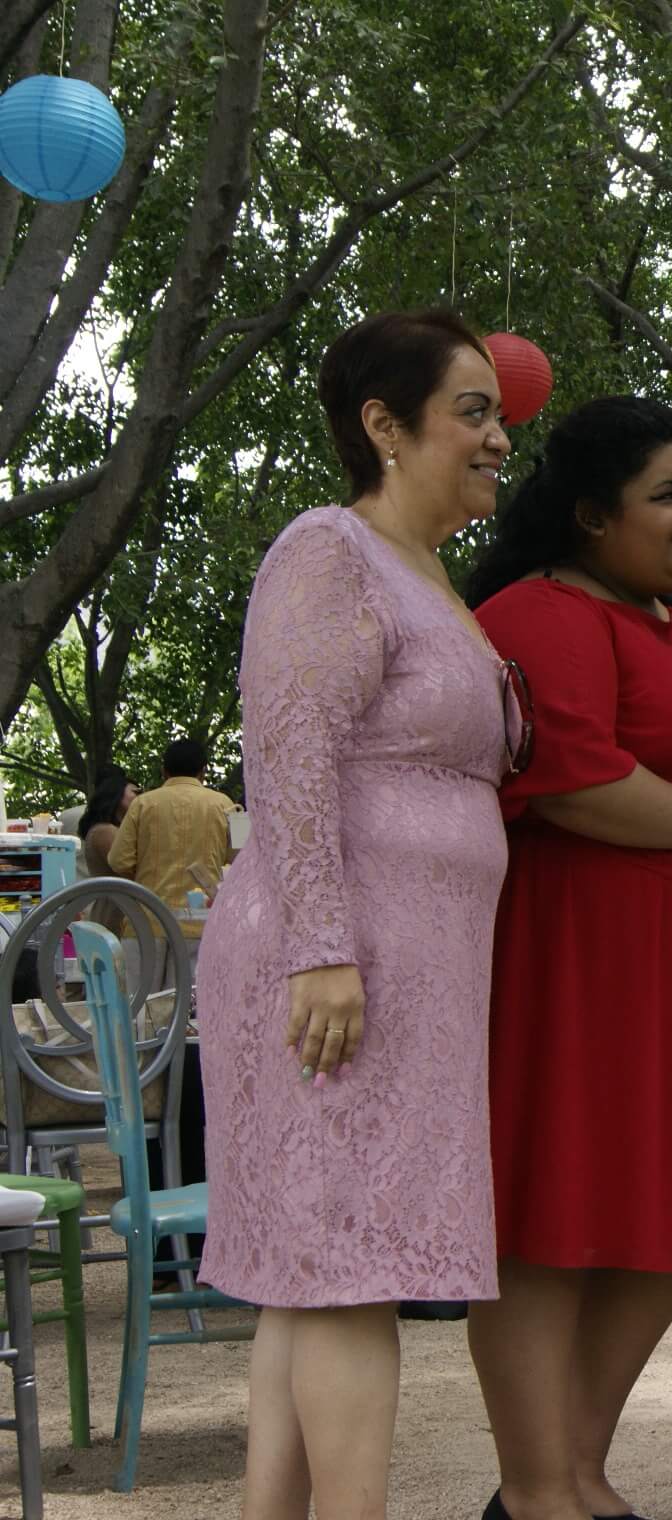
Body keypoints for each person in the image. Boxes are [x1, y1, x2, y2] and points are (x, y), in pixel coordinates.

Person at [198, 309, 514, 1520]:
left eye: (499, 414)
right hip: (336, 962)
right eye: (471, 411)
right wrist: (323, 947)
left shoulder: (430, 573)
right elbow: (287, 750)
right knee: (345, 1268)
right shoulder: (328, 547)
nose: (497, 437)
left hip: (412, 969)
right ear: (385, 425)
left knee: (314, 1269)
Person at [463, 396, 672, 1520]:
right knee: (553, 1217)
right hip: (580, 951)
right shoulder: (544, 610)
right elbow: (578, 782)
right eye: (667, 493)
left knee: (665, 1221)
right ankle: (535, 1481)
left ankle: (576, 1469)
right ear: (594, 516)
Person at [111, 736, 235, 940]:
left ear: (164, 771)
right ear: (203, 770)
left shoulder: (143, 804)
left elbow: (118, 861)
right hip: (203, 924)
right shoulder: (224, 804)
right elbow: (238, 860)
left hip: (148, 922)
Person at [71, 766, 135, 879]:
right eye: (136, 792)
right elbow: (131, 870)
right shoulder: (105, 831)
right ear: (116, 791)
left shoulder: (107, 828)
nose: (142, 797)